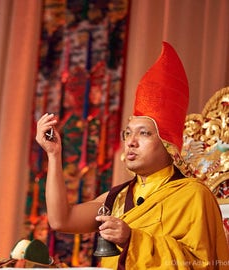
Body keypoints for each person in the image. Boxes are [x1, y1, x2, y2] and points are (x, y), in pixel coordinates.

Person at [35, 42, 229, 269]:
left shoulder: (193, 195)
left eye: (144, 133)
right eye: (128, 133)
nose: (131, 142)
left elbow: (204, 264)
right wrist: (54, 155)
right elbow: (61, 220)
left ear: (168, 145)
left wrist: (132, 239)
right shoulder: (117, 197)